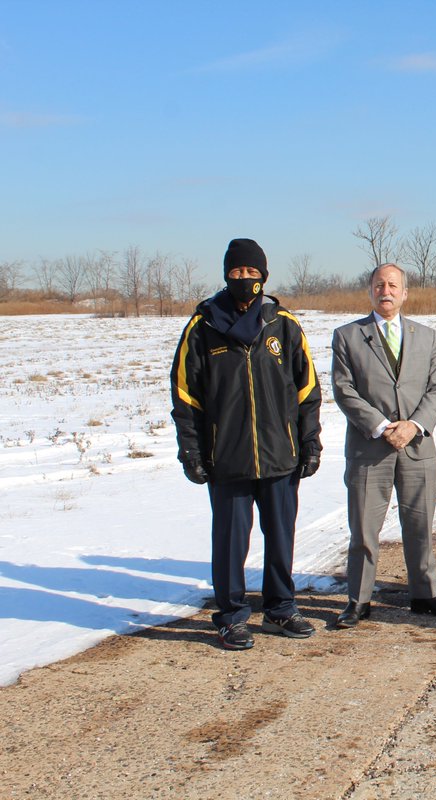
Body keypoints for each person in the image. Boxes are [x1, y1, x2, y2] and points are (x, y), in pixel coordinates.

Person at [170, 238, 322, 651]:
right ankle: (231, 615)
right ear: (226, 275)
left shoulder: (283, 323)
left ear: (264, 276)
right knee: (230, 542)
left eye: (252, 273)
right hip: (228, 458)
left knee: (281, 537)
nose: (244, 280)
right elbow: (186, 397)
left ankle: (280, 608)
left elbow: (307, 390)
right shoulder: (203, 327)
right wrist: (192, 452)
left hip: (279, 455)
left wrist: (310, 443)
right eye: (237, 273)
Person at [330, 264, 436, 627]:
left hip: (417, 447)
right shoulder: (347, 336)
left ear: (405, 293)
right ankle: (358, 600)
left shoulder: (426, 336)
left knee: (420, 526)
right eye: (379, 285)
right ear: (370, 291)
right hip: (370, 449)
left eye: (393, 285)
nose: (385, 291)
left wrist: (414, 425)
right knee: (364, 530)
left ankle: (425, 595)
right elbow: (344, 389)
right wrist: (382, 426)